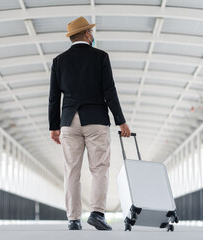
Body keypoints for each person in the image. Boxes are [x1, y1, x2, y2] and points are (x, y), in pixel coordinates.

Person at [48, 16, 131, 231]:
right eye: (91, 32)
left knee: (72, 171)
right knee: (99, 169)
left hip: (68, 121)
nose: (92, 35)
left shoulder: (59, 61)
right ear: (87, 34)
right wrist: (121, 121)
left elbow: (54, 98)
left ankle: (74, 219)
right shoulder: (101, 57)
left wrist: (54, 126)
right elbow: (109, 92)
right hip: (96, 120)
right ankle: (96, 213)